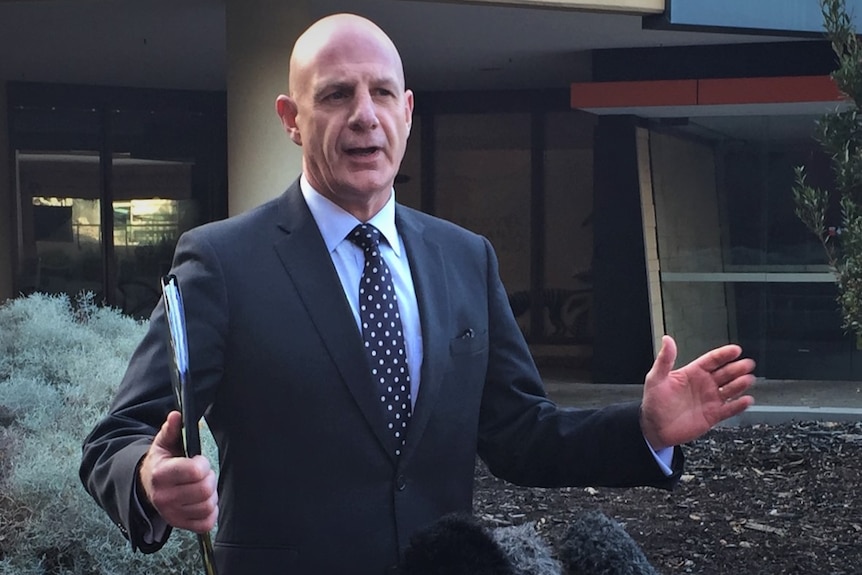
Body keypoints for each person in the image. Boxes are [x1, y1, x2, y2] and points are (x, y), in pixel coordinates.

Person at [79, 12, 756, 575]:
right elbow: (116, 438)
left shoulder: (466, 258)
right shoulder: (222, 262)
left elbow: (522, 434)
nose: (364, 116)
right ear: (291, 116)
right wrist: (147, 478)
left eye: (381, 93)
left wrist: (643, 430)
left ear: (407, 112)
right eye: (337, 94)